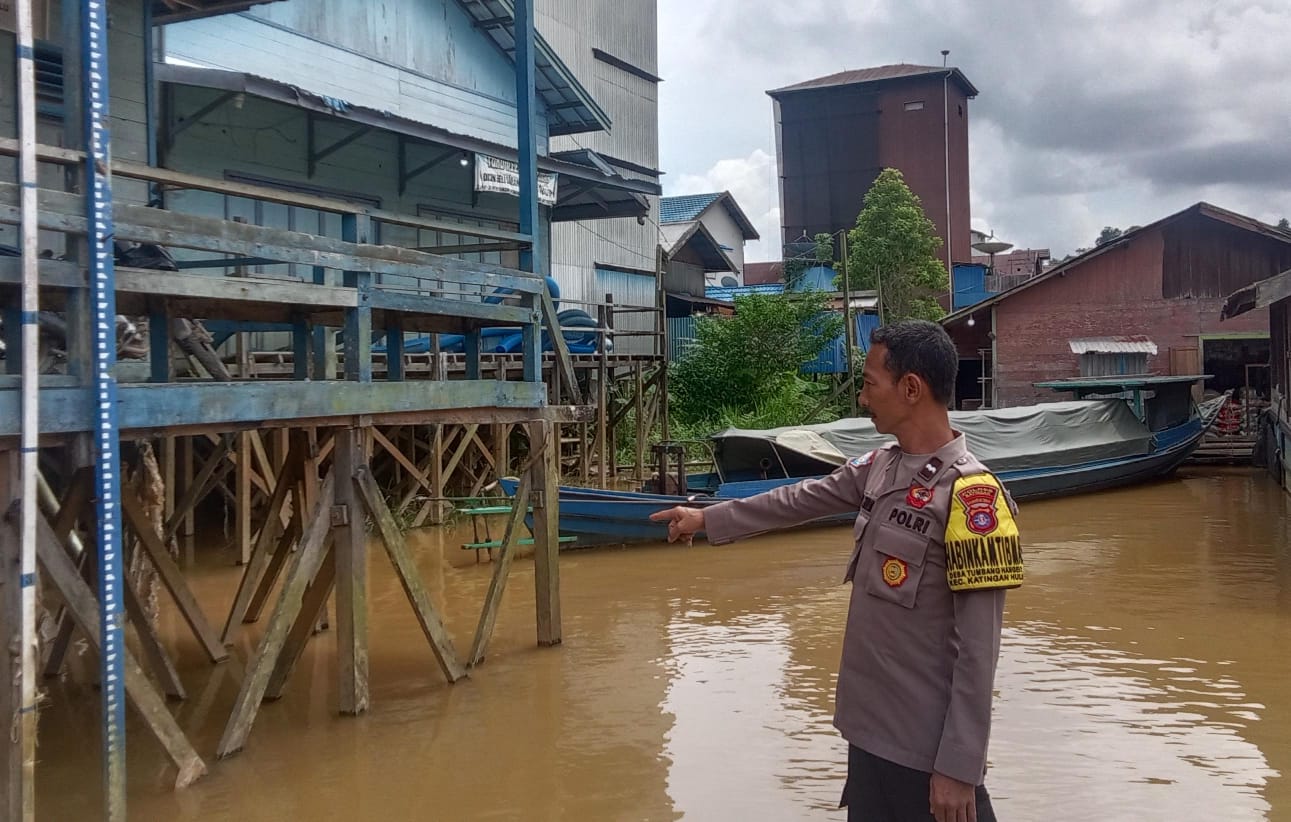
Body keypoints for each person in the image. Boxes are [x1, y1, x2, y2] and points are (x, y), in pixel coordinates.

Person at [650, 320, 1022, 822]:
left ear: (911, 388)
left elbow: (980, 651)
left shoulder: (974, 500)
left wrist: (960, 767)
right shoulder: (880, 468)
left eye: (870, 384)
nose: (863, 398)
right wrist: (706, 518)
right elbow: (799, 499)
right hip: (868, 733)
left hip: (927, 751)